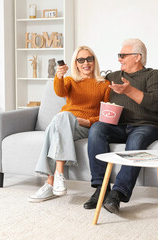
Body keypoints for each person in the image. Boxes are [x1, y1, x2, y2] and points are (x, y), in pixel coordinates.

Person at [83, 38, 158, 214]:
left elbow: (157, 103)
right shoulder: (113, 77)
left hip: (145, 125)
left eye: (122, 55)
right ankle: (101, 188)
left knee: (136, 141)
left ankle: (118, 193)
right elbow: (90, 88)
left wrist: (129, 90)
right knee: (97, 128)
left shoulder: (153, 75)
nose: (119, 59)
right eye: (119, 55)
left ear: (137, 57)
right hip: (118, 125)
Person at [28, 46, 111, 203]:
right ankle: (56, 179)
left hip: (84, 127)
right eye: (81, 60)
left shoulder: (104, 84)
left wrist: (89, 121)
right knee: (61, 118)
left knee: (56, 123)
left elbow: (107, 114)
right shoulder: (70, 81)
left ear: (94, 61)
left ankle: (52, 181)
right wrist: (59, 75)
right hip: (65, 123)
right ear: (76, 63)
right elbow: (59, 91)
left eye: (89, 59)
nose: (86, 63)